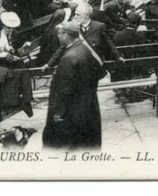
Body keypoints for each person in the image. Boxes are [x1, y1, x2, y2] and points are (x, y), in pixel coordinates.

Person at [42, 21, 108, 149]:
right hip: (87, 106)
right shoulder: (84, 49)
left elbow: (64, 90)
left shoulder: (69, 58)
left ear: (66, 35)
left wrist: (58, 112)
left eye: (59, 34)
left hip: (72, 111)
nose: (58, 36)